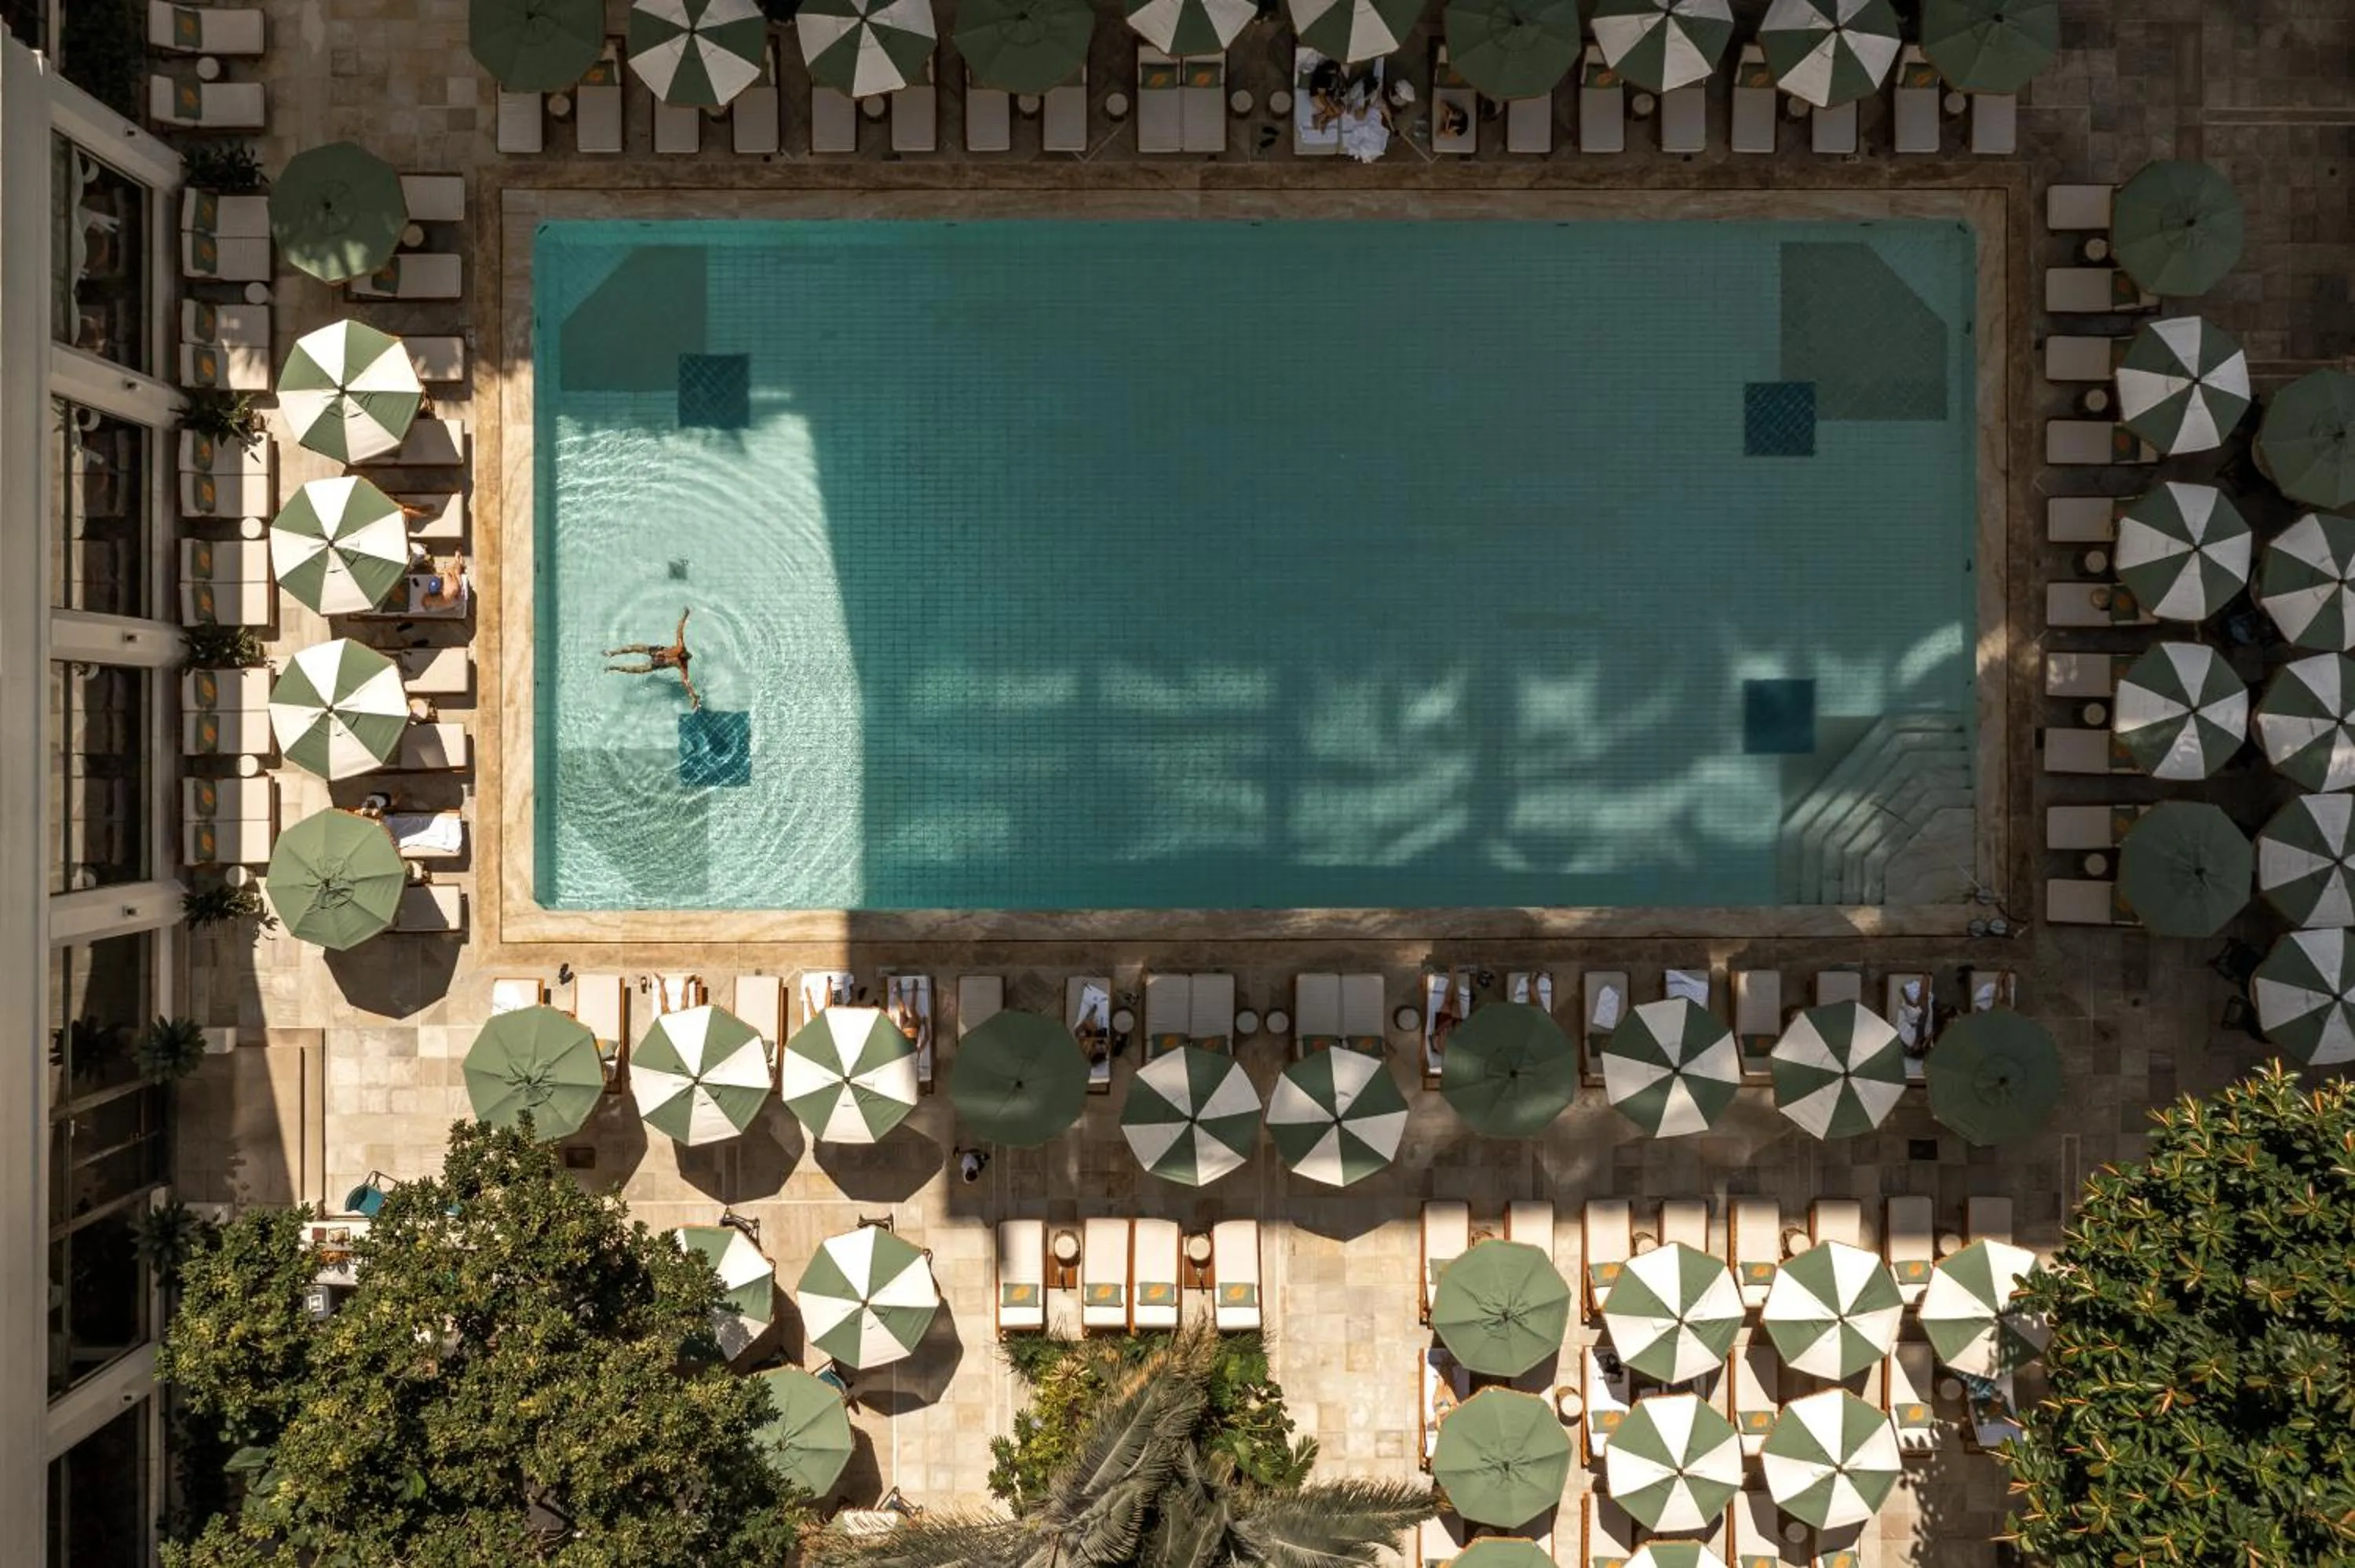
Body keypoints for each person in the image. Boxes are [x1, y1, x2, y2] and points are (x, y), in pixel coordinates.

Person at [604, 607, 702, 710]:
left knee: (635, 658)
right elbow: (679, 631)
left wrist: (692, 695)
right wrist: (685, 617)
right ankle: (613, 658)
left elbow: (685, 681)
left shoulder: (682, 658)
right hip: (658, 656)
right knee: (635, 658)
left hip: (658, 656)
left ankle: (613, 660)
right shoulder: (681, 654)